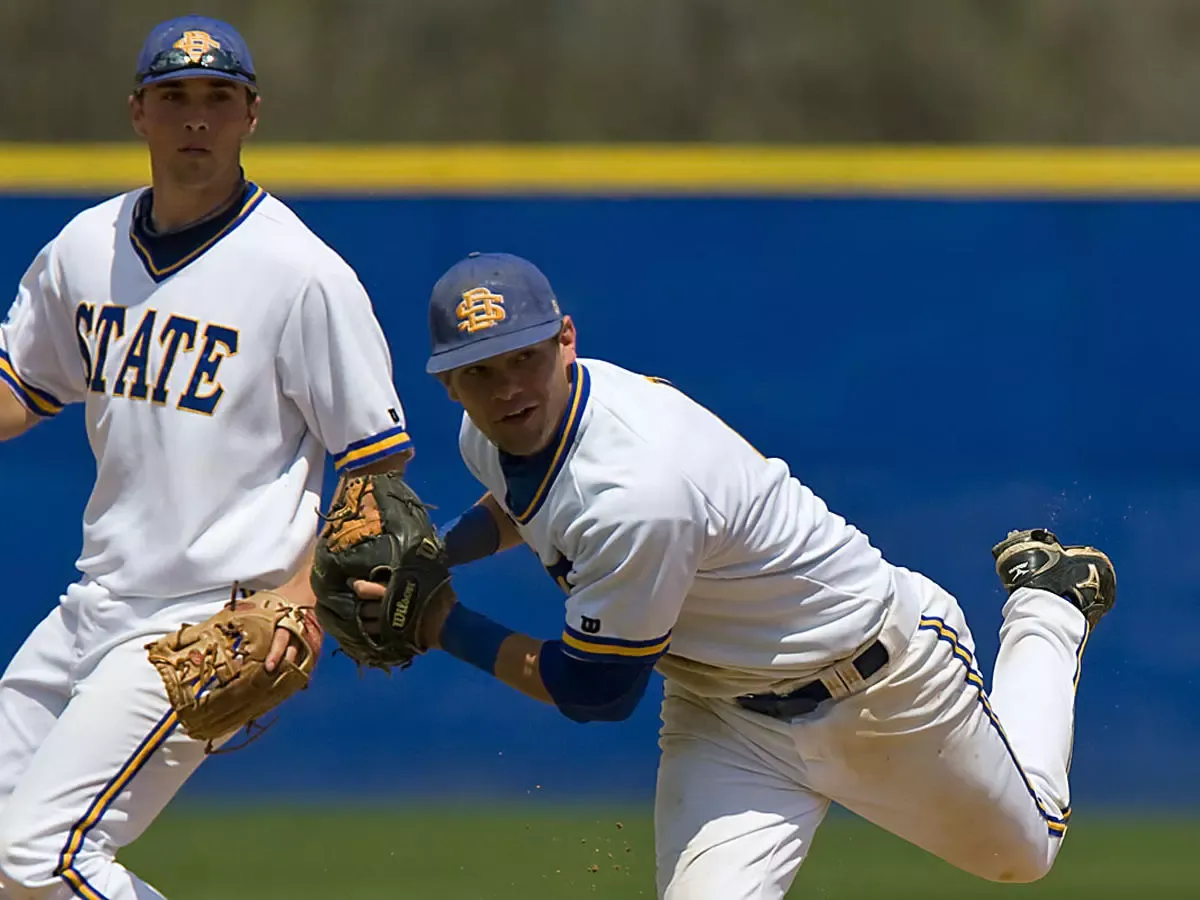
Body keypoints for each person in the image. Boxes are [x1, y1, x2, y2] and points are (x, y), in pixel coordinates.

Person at [355, 250, 1116, 899]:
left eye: (525, 356)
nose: (508, 387)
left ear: (565, 341)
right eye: (479, 371)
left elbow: (592, 691)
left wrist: (437, 622)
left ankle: (1049, 607)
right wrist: (437, 555)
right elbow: (528, 503)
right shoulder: (491, 434)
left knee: (1024, 853)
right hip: (727, 718)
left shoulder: (640, 494)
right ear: (448, 384)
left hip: (879, 685)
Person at [0, 16, 413, 899]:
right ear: (138, 113)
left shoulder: (302, 274)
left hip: (206, 615)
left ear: (250, 115)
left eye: (217, 98)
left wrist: (301, 595)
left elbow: (374, 464)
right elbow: (19, 390)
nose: (196, 117)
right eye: (174, 97)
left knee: (37, 858)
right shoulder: (86, 248)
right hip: (92, 601)